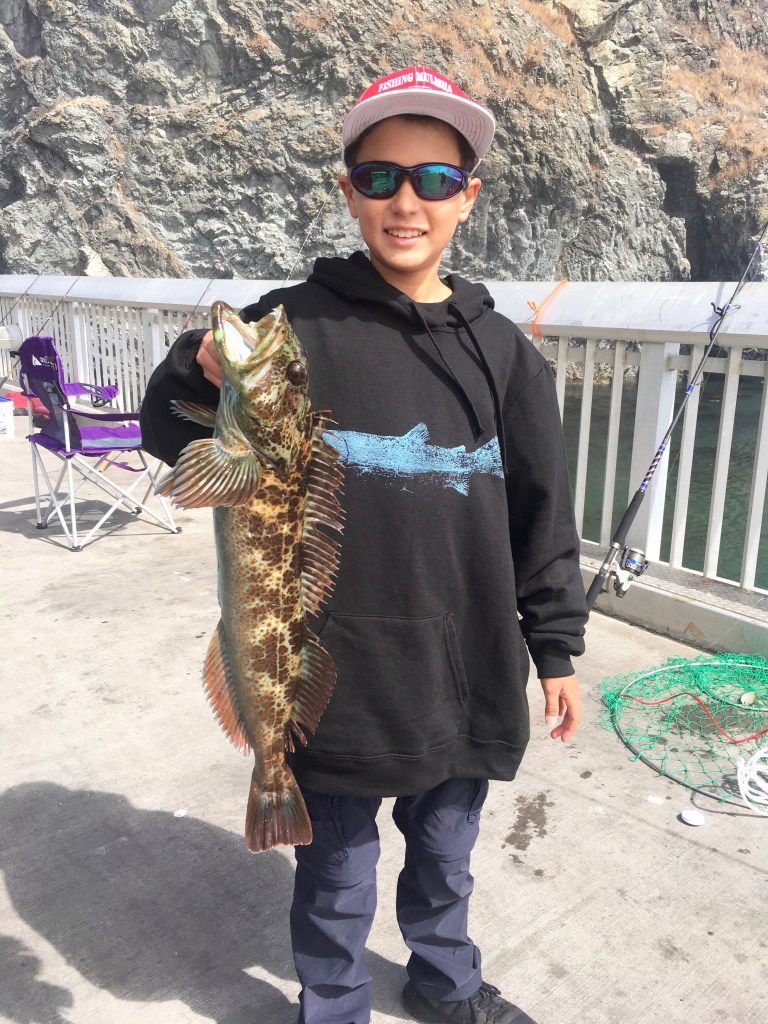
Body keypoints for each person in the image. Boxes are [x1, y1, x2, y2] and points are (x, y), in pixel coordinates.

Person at [140, 66, 589, 1024]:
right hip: (331, 678)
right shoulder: (289, 325)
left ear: (468, 197)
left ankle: (446, 983)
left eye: (435, 179)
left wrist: (555, 647)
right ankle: (333, 1006)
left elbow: (543, 512)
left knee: (446, 861)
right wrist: (196, 368)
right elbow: (167, 432)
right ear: (348, 191)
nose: (406, 201)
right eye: (380, 177)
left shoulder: (506, 353)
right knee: (336, 877)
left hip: (464, 668)